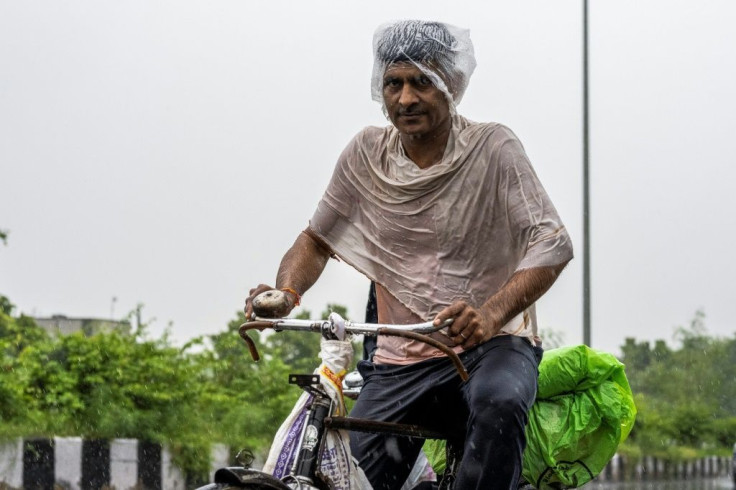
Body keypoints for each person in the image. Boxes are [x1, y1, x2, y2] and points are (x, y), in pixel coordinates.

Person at [245, 20, 573, 490]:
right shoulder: (365, 154)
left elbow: (552, 242)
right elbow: (316, 239)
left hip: (491, 347)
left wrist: (491, 313)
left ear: (451, 85)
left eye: (422, 82)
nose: (405, 99)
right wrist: (286, 291)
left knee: (500, 404)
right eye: (393, 84)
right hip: (401, 357)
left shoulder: (493, 147)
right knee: (347, 475)